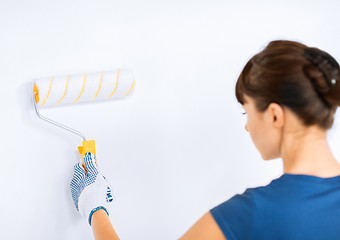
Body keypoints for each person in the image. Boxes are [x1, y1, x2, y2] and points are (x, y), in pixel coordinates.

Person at [70, 40, 340, 240]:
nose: (247, 126)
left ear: (274, 116)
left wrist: (96, 210)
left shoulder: (254, 214)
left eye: (247, 111)